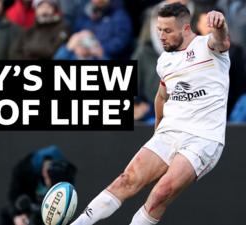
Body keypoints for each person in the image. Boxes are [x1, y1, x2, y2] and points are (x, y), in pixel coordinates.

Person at [70, 3, 230, 225]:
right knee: (126, 180)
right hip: (169, 132)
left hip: (203, 137)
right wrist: (158, 130)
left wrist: (219, 23)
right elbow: (161, 96)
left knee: (160, 194)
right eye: (159, 30)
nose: (161, 36)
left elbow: (222, 40)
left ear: (185, 29)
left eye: (167, 31)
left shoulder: (209, 47)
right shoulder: (165, 60)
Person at [0, 145, 76, 225]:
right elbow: (13, 196)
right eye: (46, 175)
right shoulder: (23, 169)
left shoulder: (64, 178)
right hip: (24, 211)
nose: (46, 174)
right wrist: (16, 216)